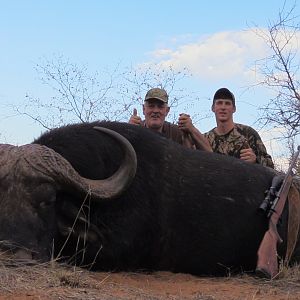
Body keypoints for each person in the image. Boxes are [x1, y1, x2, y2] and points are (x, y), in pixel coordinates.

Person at [204, 87, 274, 168]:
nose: (223, 107)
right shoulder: (205, 139)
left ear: (234, 109)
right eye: (219, 103)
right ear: (213, 108)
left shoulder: (248, 133)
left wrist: (256, 160)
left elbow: (270, 166)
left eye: (227, 103)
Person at [129, 87, 212, 151]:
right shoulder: (136, 131)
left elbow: (209, 155)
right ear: (144, 109)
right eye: (151, 106)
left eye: (160, 107)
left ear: (167, 111)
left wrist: (191, 129)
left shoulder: (176, 132)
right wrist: (128, 131)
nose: (155, 111)